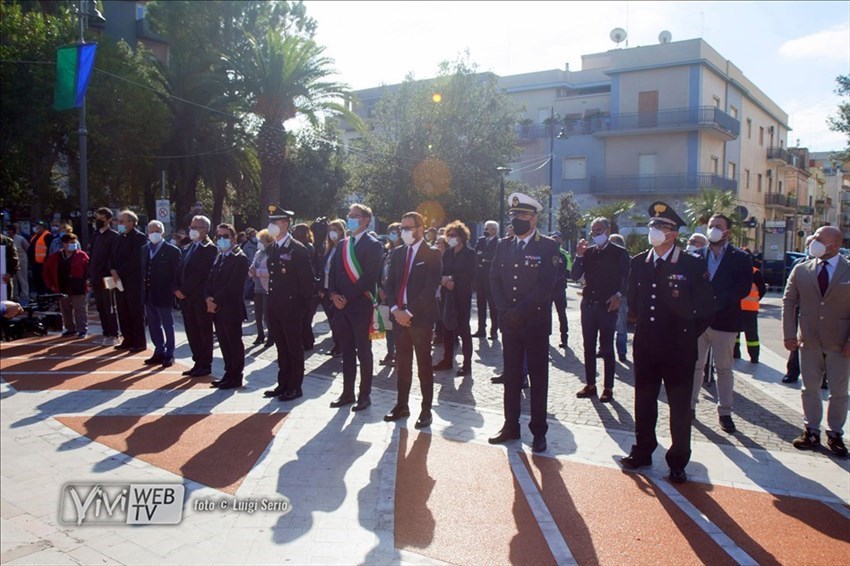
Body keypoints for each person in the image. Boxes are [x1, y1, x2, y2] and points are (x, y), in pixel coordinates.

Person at [619, 201, 714, 484]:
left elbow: (707, 308)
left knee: (679, 408)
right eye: (653, 226)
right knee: (644, 402)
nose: (655, 231)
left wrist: (685, 335)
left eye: (662, 227)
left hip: (678, 349)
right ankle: (643, 450)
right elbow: (633, 301)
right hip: (646, 346)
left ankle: (677, 460)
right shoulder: (639, 262)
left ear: (674, 233)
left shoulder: (691, 264)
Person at [488, 192, 559, 453]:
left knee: (538, 378)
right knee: (512, 376)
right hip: (510, 322)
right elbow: (494, 278)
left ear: (534, 218)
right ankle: (510, 426)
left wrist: (520, 311)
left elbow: (545, 287)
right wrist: (505, 310)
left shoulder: (548, 247)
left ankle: (538, 431)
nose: (517, 219)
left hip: (535, 323)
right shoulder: (504, 245)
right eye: (514, 215)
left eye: (522, 215)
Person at [782, 225, 849, 457]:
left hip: (840, 343)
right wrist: (789, 334)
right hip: (808, 341)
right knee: (809, 388)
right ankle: (811, 430)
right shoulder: (802, 270)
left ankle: (835, 433)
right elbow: (788, 301)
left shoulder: (848, 270)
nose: (814, 241)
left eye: (819, 239)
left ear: (836, 244)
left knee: (839, 391)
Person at [690, 214, 752, 434]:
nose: (713, 229)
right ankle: (690, 407)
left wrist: (715, 303)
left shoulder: (741, 258)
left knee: (724, 368)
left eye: (718, 226)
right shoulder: (696, 256)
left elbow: (742, 288)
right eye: (710, 226)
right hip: (698, 322)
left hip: (725, 322)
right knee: (695, 366)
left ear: (727, 232)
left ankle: (725, 412)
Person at [383, 211, 442, 428]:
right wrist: (396, 309)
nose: (404, 232)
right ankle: (401, 405)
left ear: (420, 228)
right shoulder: (398, 253)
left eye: (408, 228)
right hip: (399, 317)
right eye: (402, 228)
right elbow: (389, 285)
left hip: (421, 319)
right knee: (403, 363)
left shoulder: (432, 254)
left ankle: (426, 410)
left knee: (424, 364)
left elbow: (429, 289)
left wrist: (409, 312)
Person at [328, 204, 384, 411]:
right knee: (347, 351)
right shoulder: (342, 244)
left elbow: (370, 277)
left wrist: (347, 298)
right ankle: (347, 392)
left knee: (364, 352)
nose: (351, 219)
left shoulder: (373, 245)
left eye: (356, 216)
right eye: (349, 215)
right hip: (340, 307)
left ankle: (364, 395)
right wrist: (333, 295)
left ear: (366, 220)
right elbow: (332, 273)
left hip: (361, 306)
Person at [571, 217, 630, 403]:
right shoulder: (588, 252)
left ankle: (608, 387)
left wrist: (619, 295)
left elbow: (627, 279)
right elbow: (574, 275)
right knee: (588, 346)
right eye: (593, 231)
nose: (595, 234)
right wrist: (579, 256)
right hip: (589, 304)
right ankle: (590, 384)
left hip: (607, 305)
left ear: (607, 230)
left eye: (598, 231)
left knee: (606, 347)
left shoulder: (619, 253)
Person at [263, 205, 315, 401]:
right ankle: (283, 383)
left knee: (293, 347)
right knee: (281, 346)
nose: (272, 226)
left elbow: (307, 283)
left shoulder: (297, 249)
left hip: (292, 308)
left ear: (285, 223)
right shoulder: (274, 247)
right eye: (271, 222)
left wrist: (300, 309)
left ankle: (295, 386)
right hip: (275, 306)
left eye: (275, 222)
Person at [206, 223, 251, 390]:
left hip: (231, 308)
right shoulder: (220, 256)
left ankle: (236, 375)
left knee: (233, 342)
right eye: (219, 236)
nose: (222, 239)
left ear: (233, 238)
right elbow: (210, 279)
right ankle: (228, 373)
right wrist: (208, 298)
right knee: (224, 342)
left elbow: (234, 286)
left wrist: (215, 301)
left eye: (226, 236)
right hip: (217, 308)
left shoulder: (240, 258)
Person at [176, 215, 218, 377]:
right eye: (192, 226)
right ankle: (197, 361)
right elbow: (179, 270)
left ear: (206, 230)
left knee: (203, 332)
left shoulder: (210, 248)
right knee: (191, 331)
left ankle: (205, 364)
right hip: (186, 299)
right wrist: (176, 288)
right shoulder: (187, 248)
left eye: (197, 227)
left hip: (199, 297)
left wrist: (184, 290)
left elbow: (201, 274)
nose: (192, 230)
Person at [434, 220, 476, 376]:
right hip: (447, 295)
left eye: (454, 235)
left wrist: (453, 281)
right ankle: (447, 360)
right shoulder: (448, 253)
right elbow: (441, 270)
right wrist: (445, 280)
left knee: (463, 329)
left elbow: (470, 275)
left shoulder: (469, 253)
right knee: (447, 328)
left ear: (461, 236)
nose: (450, 237)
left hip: (462, 296)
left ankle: (467, 364)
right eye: (448, 235)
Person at [141, 220, 182, 367]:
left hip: (164, 293)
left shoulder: (172, 251)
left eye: (157, 230)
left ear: (162, 232)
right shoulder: (144, 250)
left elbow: (176, 273)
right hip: (149, 293)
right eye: (151, 231)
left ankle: (169, 353)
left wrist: (175, 289)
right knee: (153, 324)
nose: (154, 233)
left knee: (167, 324)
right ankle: (159, 350)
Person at [109, 210, 148, 353]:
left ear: (131, 222)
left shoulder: (140, 238)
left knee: (135, 311)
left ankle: (139, 341)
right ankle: (127, 338)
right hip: (118, 280)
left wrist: (120, 272)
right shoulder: (118, 238)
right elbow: (111, 256)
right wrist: (112, 269)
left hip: (133, 281)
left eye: (122, 221)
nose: (119, 224)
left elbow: (136, 260)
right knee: (122, 310)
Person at [43, 234, 89, 338]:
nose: (74, 245)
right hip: (62, 286)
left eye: (75, 242)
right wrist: (50, 285)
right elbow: (47, 271)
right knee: (65, 309)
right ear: (64, 244)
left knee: (79, 309)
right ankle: (70, 329)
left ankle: (82, 330)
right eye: (71, 242)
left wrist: (87, 281)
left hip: (78, 286)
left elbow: (88, 268)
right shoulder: (55, 257)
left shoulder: (81, 255)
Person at [89, 208, 120, 345]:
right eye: (97, 218)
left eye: (101, 218)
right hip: (96, 275)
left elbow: (113, 257)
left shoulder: (114, 236)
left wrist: (111, 270)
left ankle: (114, 333)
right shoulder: (95, 235)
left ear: (109, 220)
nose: (98, 221)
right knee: (100, 306)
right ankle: (105, 332)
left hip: (108, 276)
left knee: (110, 305)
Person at [319, 219, 347, 357]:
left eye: (336, 230)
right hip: (325, 289)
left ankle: (341, 345)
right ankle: (337, 343)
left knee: (337, 321)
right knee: (331, 320)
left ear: (342, 231)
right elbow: (323, 269)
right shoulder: (328, 248)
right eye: (330, 230)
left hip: (336, 291)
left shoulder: (344, 247)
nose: (332, 233)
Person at [733, 249, 766, 363]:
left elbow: (762, 289)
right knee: (735, 332)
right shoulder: (734, 271)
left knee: (750, 333)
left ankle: (753, 356)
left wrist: (755, 299)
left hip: (747, 308)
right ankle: (736, 353)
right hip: (737, 307)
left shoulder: (754, 272)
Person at [292, 223, 319, 351]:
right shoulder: (309, 246)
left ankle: (307, 341)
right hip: (307, 284)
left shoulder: (305, 248)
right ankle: (308, 340)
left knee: (305, 317)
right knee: (306, 318)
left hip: (306, 285)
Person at [473, 220, 500, 340]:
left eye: (487, 228)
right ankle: (481, 329)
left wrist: (482, 255)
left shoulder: (499, 242)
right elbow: (475, 253)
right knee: (480, 304)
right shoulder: (481, 240)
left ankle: (494, 330)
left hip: (491, 278)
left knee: (493, 305)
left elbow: (492, 255)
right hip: (480, 277)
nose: (485, 230)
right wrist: (483, 256)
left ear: (494, 230)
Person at [248, 229, 275, 345]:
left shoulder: (272, 254)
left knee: (267, 314)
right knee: (258, 313)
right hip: (257, 287)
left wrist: (257, 272)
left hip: (267, 287)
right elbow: (252, 266)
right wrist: (251, 271)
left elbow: (270, 271)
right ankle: (260, 335)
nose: (260, 243)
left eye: (262, 241)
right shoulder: (258, 253)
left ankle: (271, 336)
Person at [608, 233, 629, 361]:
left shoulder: (626, 258)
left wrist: (619, 294)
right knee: (606, 325)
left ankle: (621, 351)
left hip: (622, 296)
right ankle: (605, 349)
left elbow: (627, 279)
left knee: (621, 326)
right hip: (607, 296)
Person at [549, 230, 571, 349]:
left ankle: (564, 338)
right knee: (546, 314)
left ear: (561, 241)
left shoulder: (564, 255)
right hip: (547, 290)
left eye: (557, 239)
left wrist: (554, 281)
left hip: (559, 289)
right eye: (553, 239)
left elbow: (566, 272)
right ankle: (545, 336)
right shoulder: (545, 254)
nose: (555, 241)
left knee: (561, 314)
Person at [28, 220, 53, 297]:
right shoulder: (35, 236)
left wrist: (46, 260)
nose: (37, 228)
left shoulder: (48, 236)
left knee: (44, 282)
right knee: (37, 282)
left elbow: (50, 249)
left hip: (43, 264)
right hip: (35, 263)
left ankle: (47, 297)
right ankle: (40, 297)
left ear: (44, 227)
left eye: (40, 226)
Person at [7, 225, 29, 305]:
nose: (7, 232)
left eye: (9, 230)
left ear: (12, 231)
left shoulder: (20, 239)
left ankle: (25, 297)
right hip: (13, 263)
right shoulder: (8, 240)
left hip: (21, 262)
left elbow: (27, 249)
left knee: (22, 279)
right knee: (13, 280)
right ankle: (14, 297)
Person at [1, 230, 19, 303]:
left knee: (5, 304)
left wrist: (10, 274)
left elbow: (14, 260)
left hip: (4, 279)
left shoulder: (8, 242)